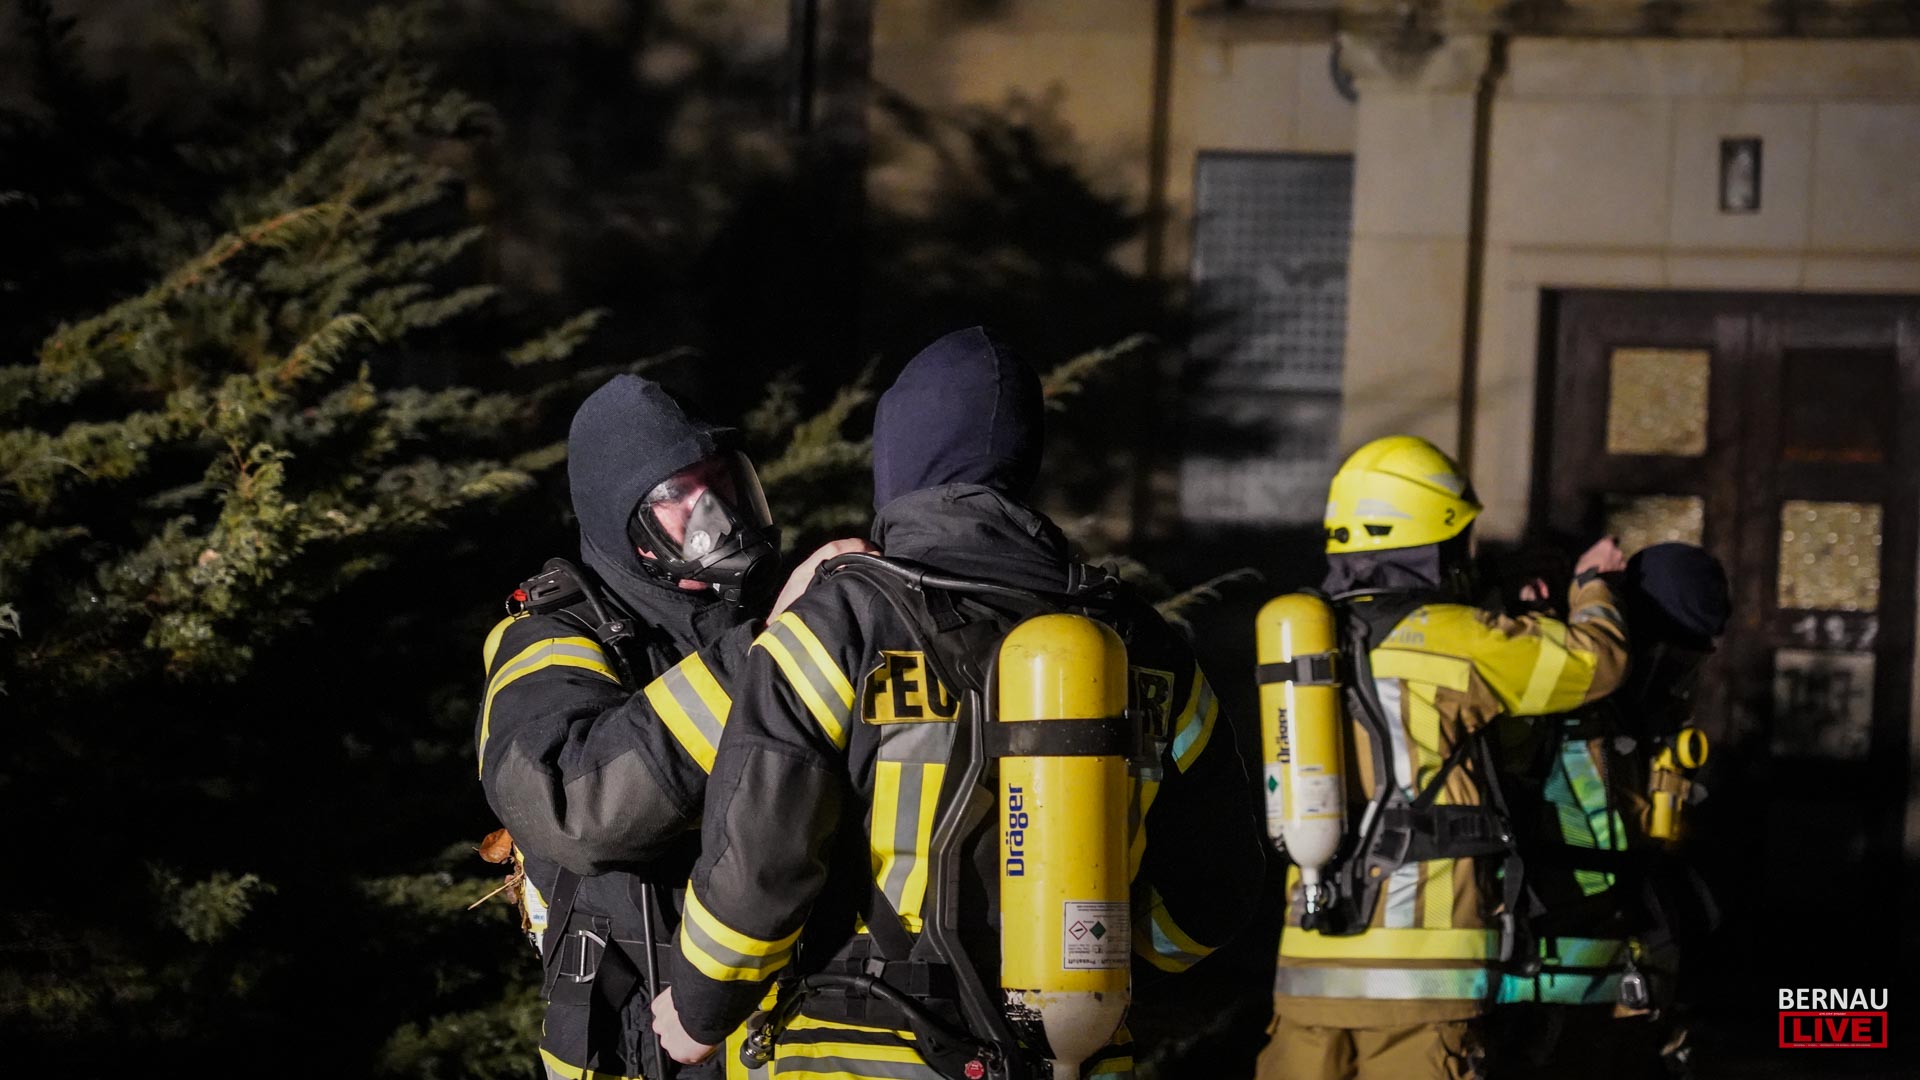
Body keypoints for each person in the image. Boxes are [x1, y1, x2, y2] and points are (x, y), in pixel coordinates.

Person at [645, 327, 1267, 1078]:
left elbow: (761, 852)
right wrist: (1106, 967)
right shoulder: (1143, 644)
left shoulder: (840, 622)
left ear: (899, 461)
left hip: (856, 1053)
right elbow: (1218, 886)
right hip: (1068, 1057)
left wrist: (700, 1006)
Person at [476, 373, 864, 1080]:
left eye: (721, 483)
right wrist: (765, 657)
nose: (714, 512)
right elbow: (571, 808)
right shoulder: (550, 636)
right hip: (643, 1046)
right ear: (624, 523)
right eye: (679, 494)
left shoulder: (764, 612)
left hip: (791, 1033)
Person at [1254, 434, 1632, 1080]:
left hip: (1310, 969)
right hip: (1423, 976)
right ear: (1438, 540)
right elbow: (1597, 664)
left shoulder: (1307, 640)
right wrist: (1593, 587)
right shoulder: (1454, 639)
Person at [1486, 542, 1730, 1080]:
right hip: (1542, 974)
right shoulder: (1564, 689)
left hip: (1621, 979)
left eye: (1689, 662)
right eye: (1667, 653)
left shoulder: (1649, 726)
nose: (1675, 678)